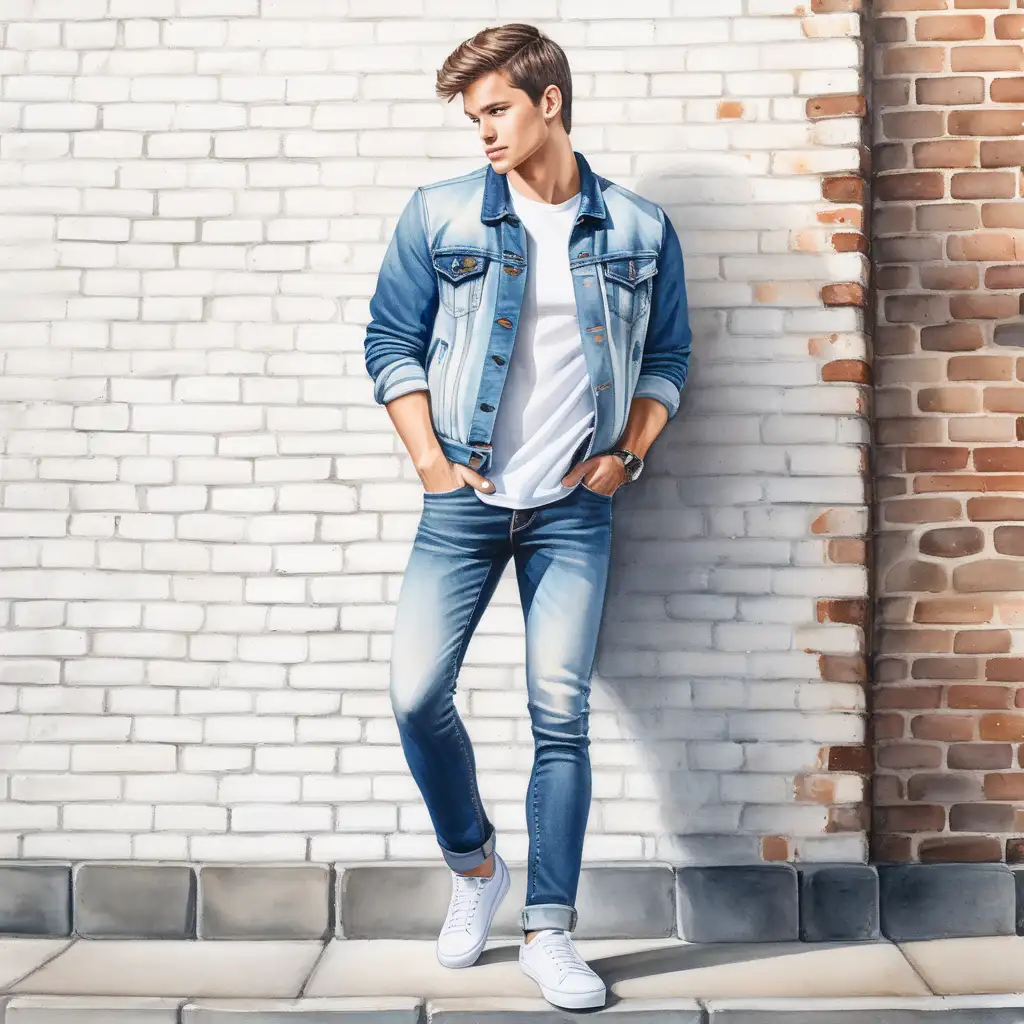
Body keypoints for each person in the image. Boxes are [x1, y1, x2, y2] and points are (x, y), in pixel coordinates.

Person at [362, 22, 692, 1011]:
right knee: (416, 694)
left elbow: (668, 358)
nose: (483, 133)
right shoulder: (441, 216)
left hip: (569, 511)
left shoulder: (637, 228)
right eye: (473, 119)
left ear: (549, 102)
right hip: (462, 501)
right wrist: (429, 464)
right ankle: (475, 871)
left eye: (496, 109)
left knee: (561, 717)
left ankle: (549, 929)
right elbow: (390, 341)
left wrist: (627, 455)